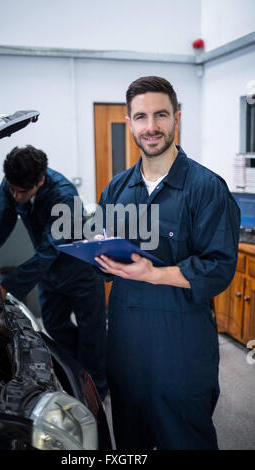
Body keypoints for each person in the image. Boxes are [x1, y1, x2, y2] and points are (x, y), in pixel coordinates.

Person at [94, 76, 240, 449]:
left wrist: (154, 273)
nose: (151, 126)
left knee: (184, 439)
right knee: (130, 442)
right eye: (141, 117)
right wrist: (94, 252)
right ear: (129, 123)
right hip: (126, 346)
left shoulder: (206, 188)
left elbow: (219, 267)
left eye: (161, 115)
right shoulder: (116, 189)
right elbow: (103, 253)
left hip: (180, 350)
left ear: (177, 117)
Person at [0, 145, 107, 400]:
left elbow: (50, 249)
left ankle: (97, 392)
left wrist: (6, 288)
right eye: (11, 189)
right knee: (55, 327)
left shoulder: (64, 195)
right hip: (48, 273)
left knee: (92, 334)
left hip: (80, 271)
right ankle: (77, 375)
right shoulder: (12, 185)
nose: (15, 196)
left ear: (41, 180)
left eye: (21, 192)